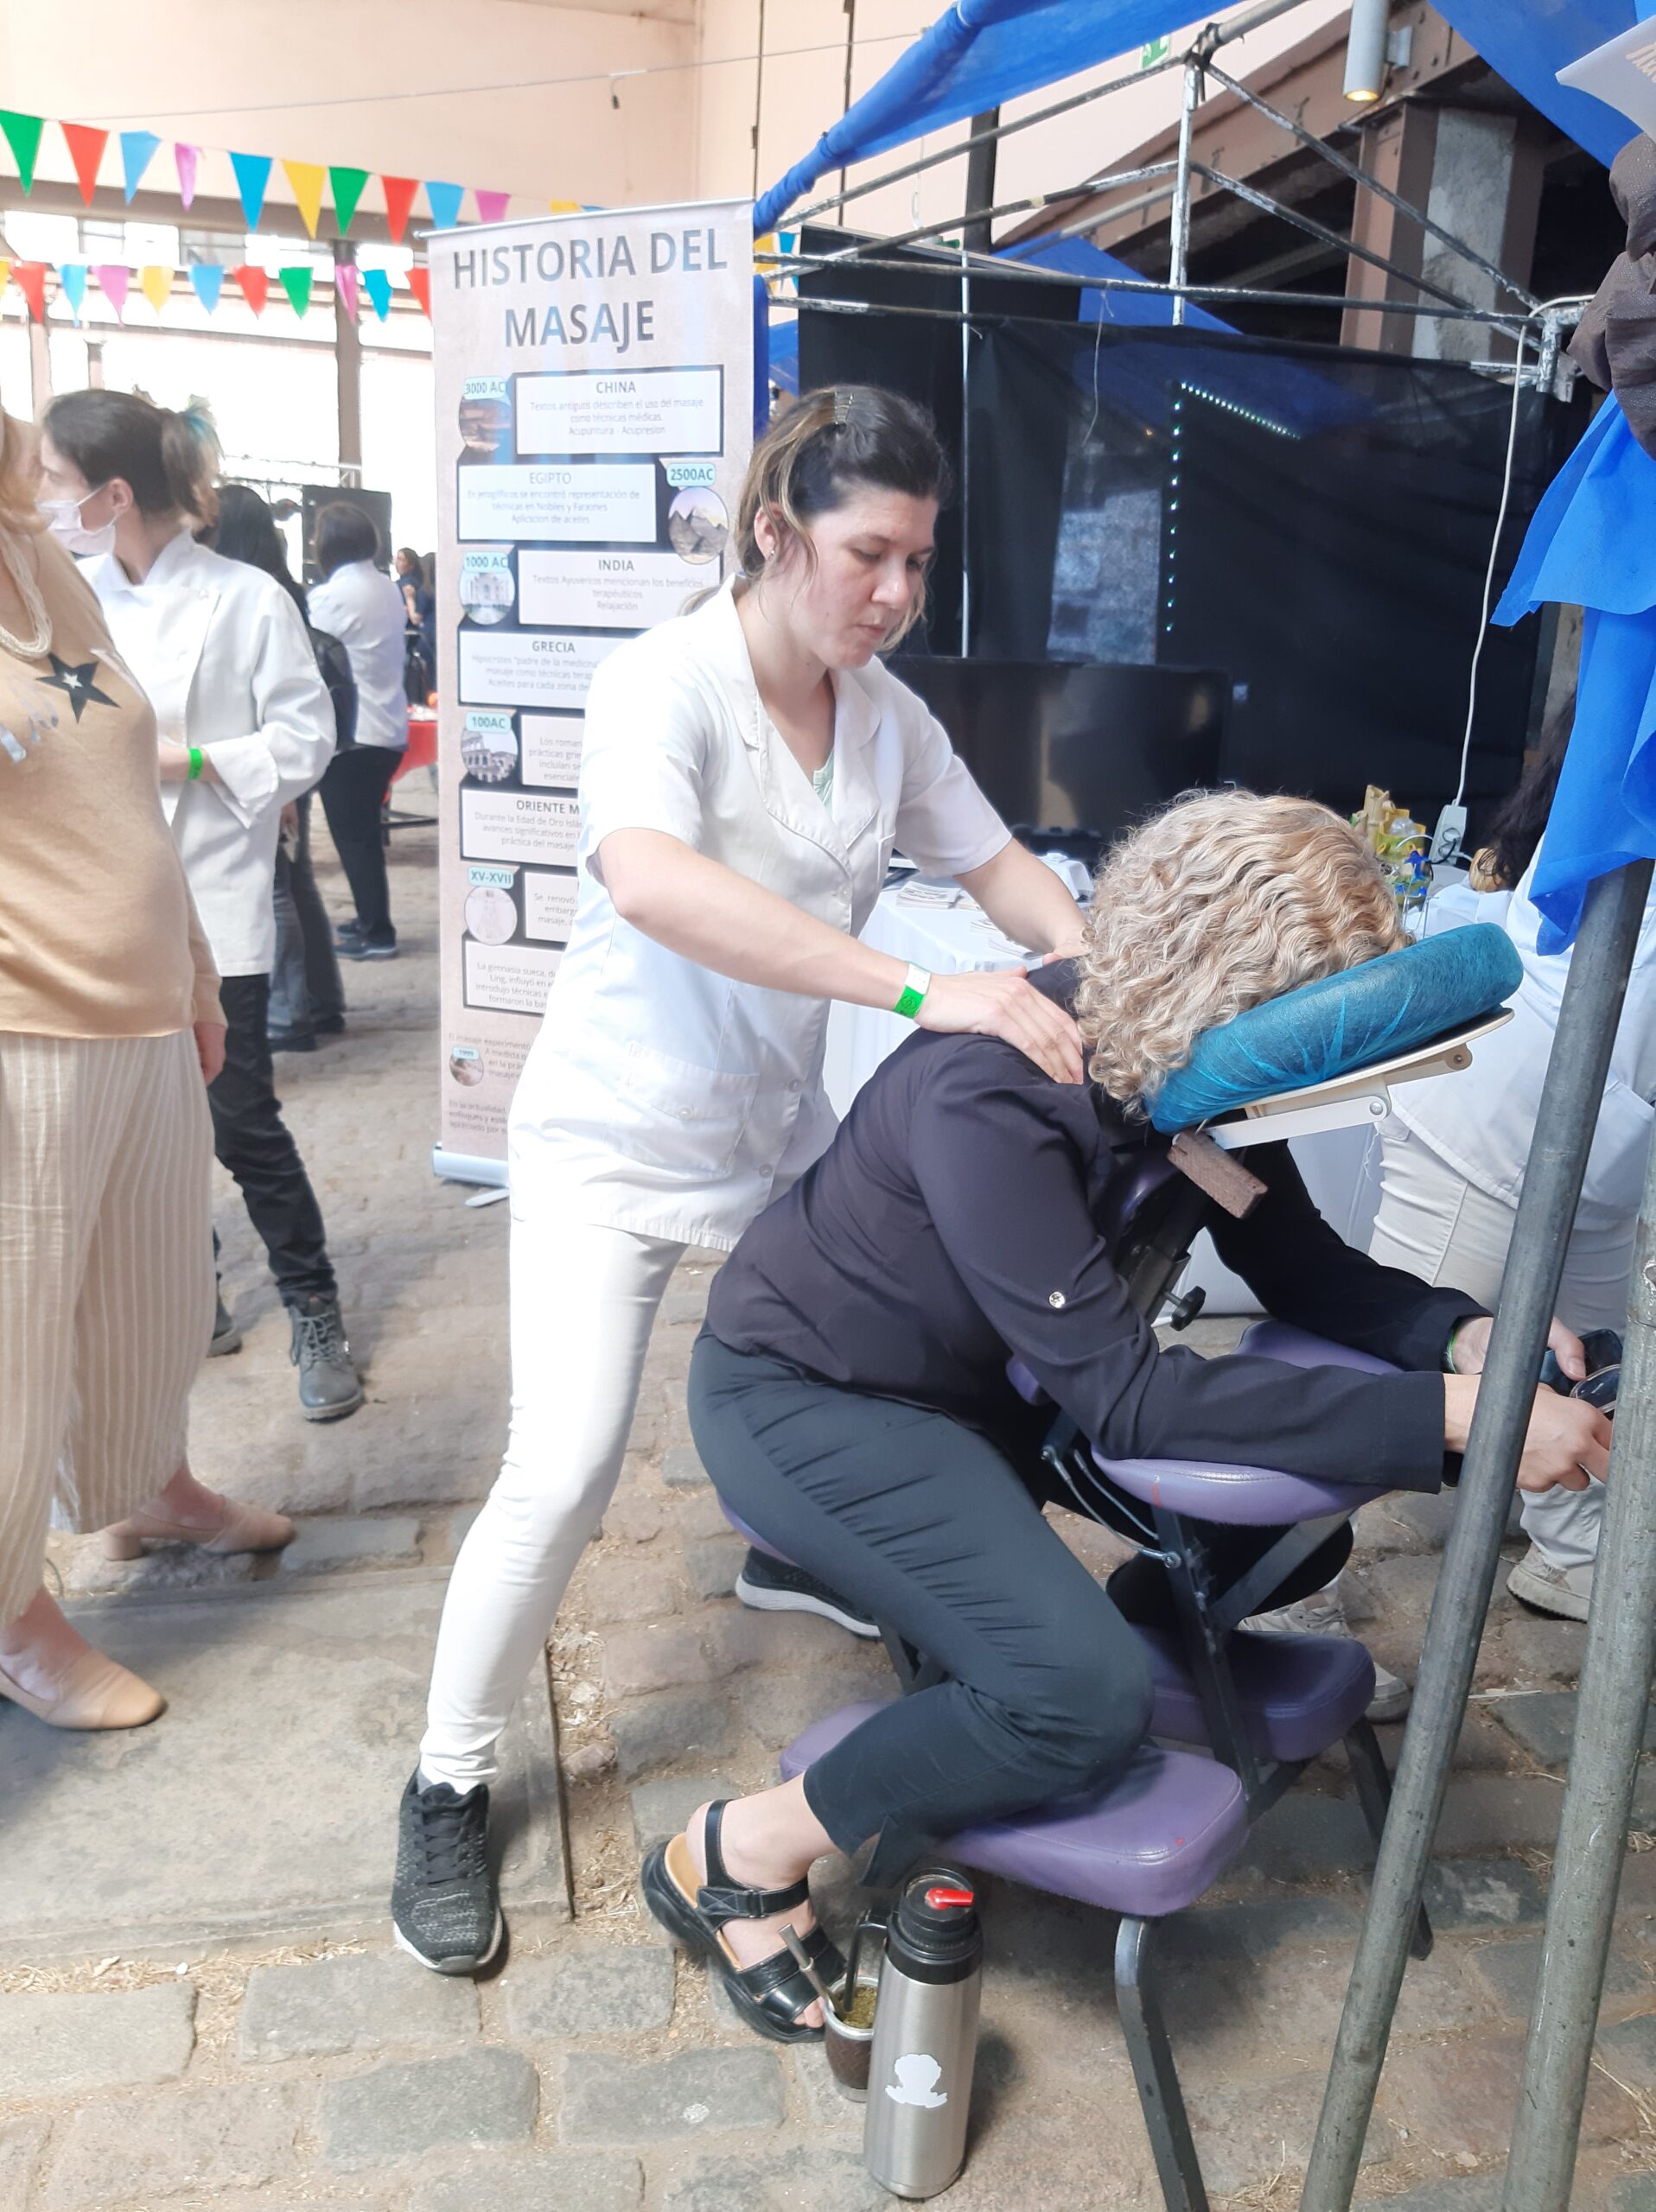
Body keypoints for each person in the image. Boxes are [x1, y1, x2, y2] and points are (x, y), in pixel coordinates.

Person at [640, 791, 1609, 2041]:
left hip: (996, 1392)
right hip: (813, 1398)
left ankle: (1105, 1634)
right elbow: (1130, 1398)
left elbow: (1301, 1264)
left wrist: (1465, 1335)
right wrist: (1449, 1418)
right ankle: (737, 1852)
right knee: (1077, 1699)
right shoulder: (989, 1093)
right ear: (1221, 992)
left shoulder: (1198, 1075)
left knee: (1282, 1542)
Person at [392, 385, 1089, 1974]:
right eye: (867, 555)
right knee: (564, 1469)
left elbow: (1000, 866)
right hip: (616, 1137)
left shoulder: (885, 714)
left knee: (902, 1365)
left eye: (918, 561)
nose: (896, 593)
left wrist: (1096, 963)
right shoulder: (666, 681)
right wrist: (924, 990)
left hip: (777, 1136)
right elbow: (652, 882)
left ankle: (805, 1546)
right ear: (776, 534)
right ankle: (445, 1782)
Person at [1, 408, 294, 1731]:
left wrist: (193, 970)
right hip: (23, 1023)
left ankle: (145, 1491)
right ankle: (13, 1618)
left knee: (152, 1293)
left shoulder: (40, 559)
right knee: (16, 1339)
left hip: (140, 1003)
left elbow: (123, 786)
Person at [39, 391, 363, 1423]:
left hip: (215, 895)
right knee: (144, 1129)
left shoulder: (246, 598)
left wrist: (187, 761)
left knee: (239, 1119)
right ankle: (199, 1291)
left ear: (113, 493)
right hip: (102, 909)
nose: (41, 500)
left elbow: (307, 740)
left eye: (53, 481)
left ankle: (313, 1307)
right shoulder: (69, 598)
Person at [1368, 699, 1656, 1621]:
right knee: (1393, 1379)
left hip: (1596, 1154)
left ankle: (1570, 1557)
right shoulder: (1626, 787)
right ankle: (1270, 1592)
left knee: (1590, 1373)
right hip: (1483, 1135)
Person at [209, 482, 354, 1059]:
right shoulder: (284, 589)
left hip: (265, 766)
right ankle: (319, 1001)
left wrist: (280, 786)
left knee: (274, 888)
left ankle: (288, 1013)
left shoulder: (251, 596)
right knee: (296, 880)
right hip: (283, 764)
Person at [308, 504, 409, 962]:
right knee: (364, 834)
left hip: (353, 736)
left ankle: (378, 932)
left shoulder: (332, 597)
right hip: (388, 728)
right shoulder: (386, 586)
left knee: (355, 840)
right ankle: (371, 918)